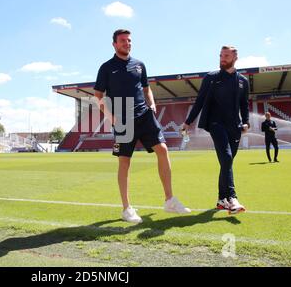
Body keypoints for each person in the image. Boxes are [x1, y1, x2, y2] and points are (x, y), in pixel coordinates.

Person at [94, 29, 191, 224]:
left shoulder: (139, 65)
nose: (127, 43)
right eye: (122, 41)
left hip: (144, 115)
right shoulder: (106, 67)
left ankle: (170, 200)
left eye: (129, 40)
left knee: (163, 150)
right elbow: (98, 96)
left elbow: (147, 90)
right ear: (114, 44)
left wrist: (152, 103)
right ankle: (127, 208)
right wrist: (111, 116)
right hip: (122, 117)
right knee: (125, 162)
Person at [183, 46, 249, 215]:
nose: (222, 59)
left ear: (235, 57)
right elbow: (199, 101)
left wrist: (246, 122)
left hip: (235, 126)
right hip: (215, 123)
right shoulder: (211, 78)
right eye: (220, 55)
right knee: (226, 158)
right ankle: (232, 198)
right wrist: (188, 122)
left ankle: (221, 200)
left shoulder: (243, 81)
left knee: (226, 163)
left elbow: (244, 105)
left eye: (226, 56)